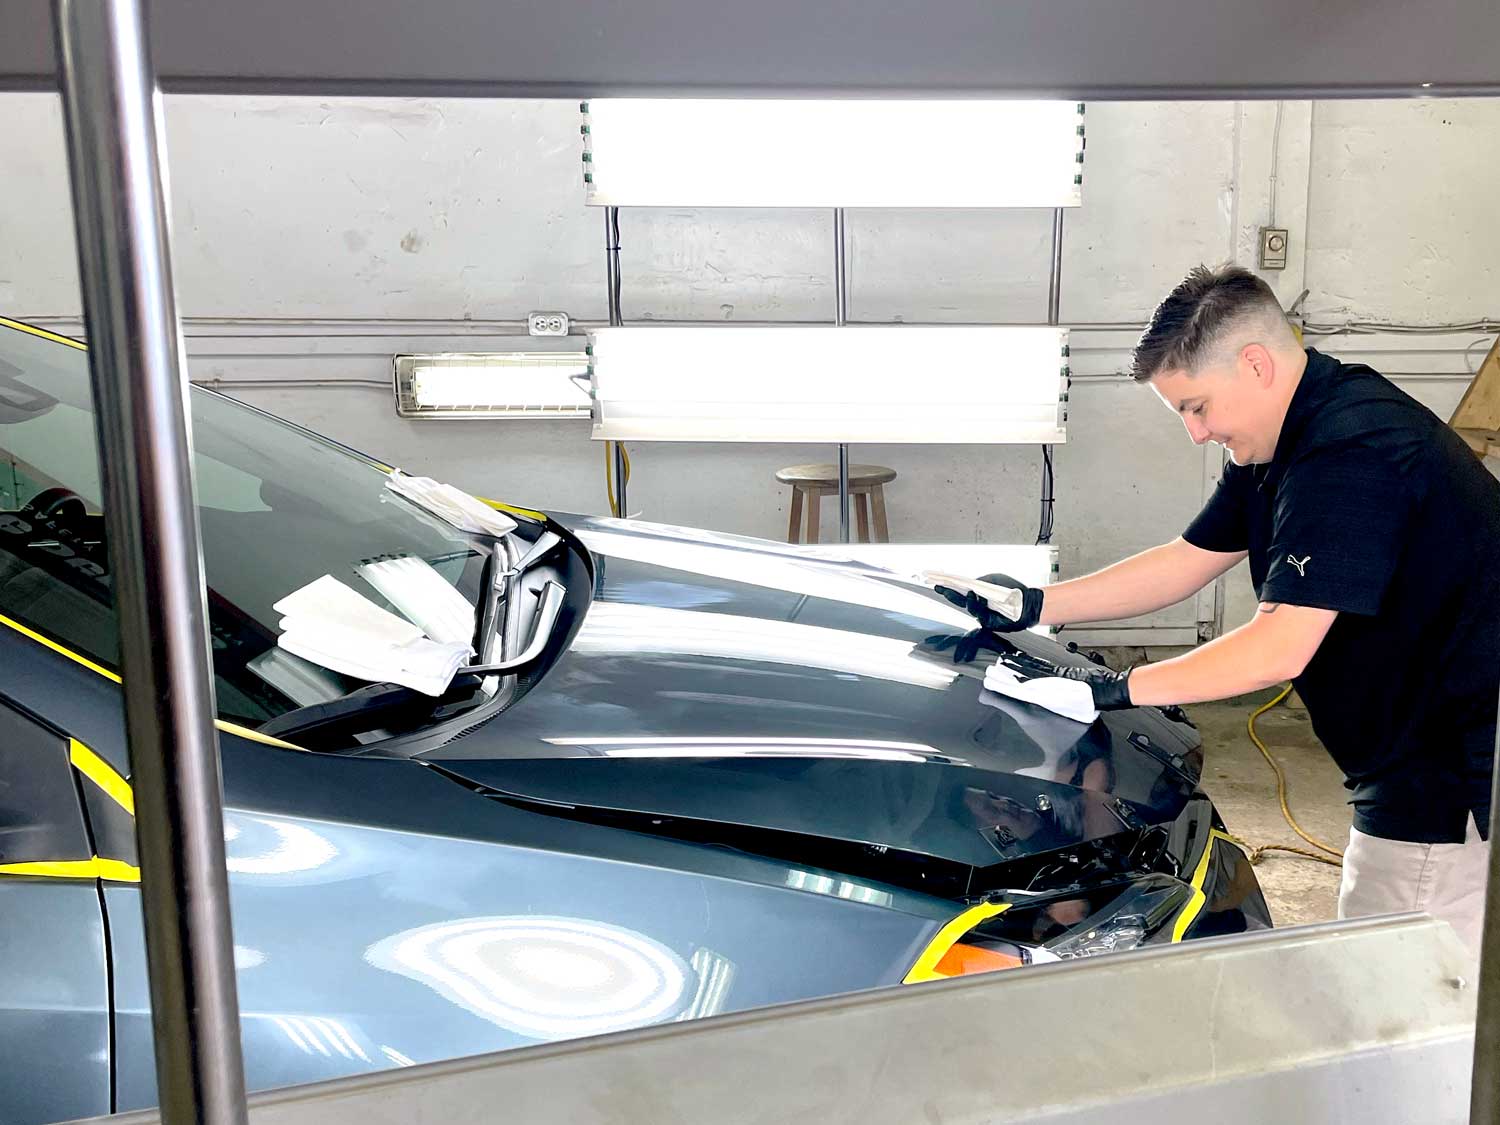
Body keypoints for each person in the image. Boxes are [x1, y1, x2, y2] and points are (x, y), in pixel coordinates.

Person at [944, 263, 1500, 957]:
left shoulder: (1350, 454)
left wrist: (1115, 688)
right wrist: (1034, 602)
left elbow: (1278, 647)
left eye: (1196, 406)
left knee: (1394, 980)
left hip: (1449, 776)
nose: (1196, 433)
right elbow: (1188, 557)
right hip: (1404, 754)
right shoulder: (1284, 433)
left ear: (1256, 363)